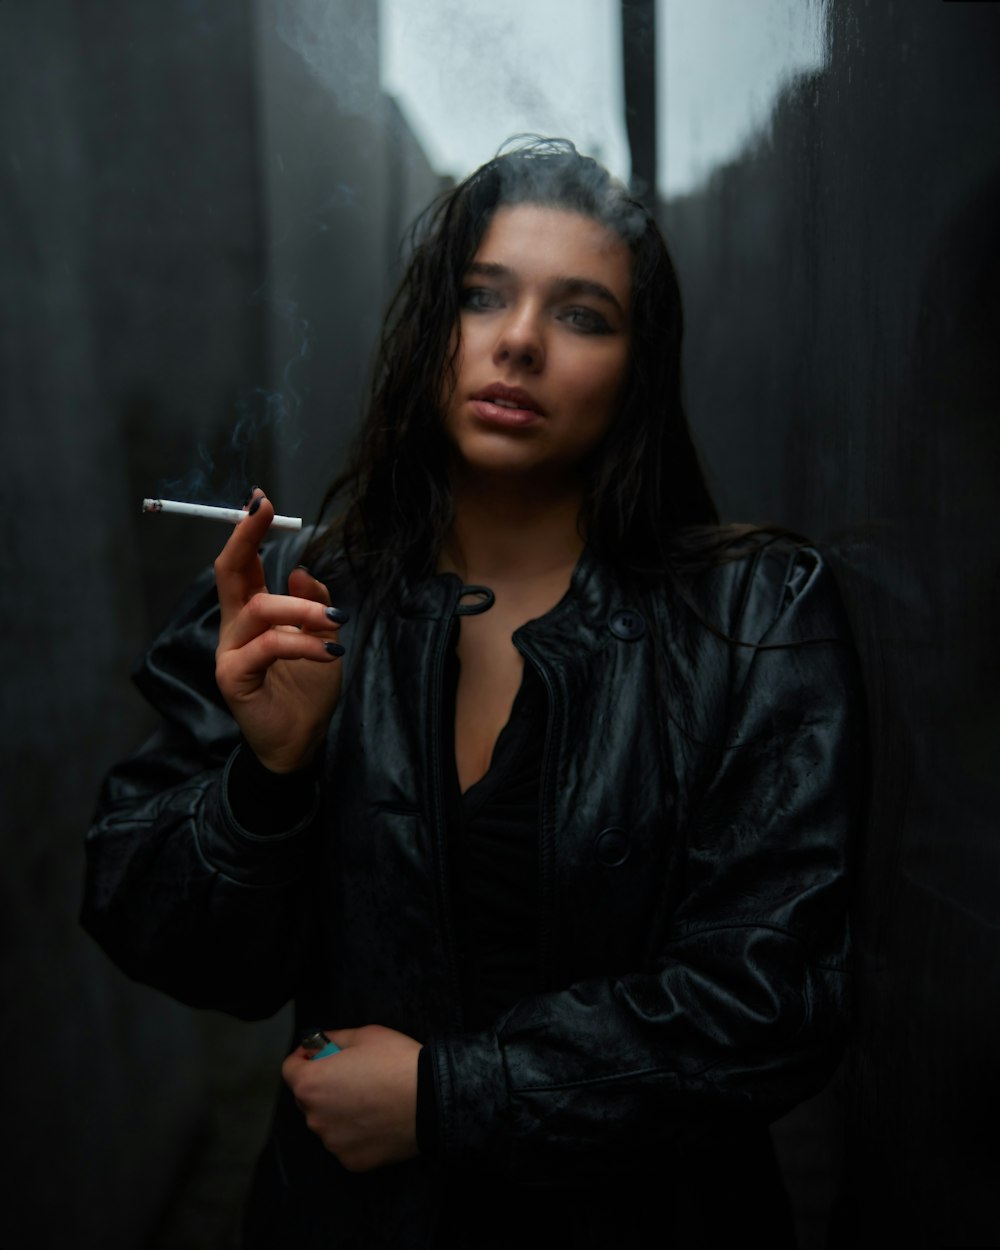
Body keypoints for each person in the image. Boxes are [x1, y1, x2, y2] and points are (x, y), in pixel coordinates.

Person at [83, 139, 866, 1248]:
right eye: (480, 296)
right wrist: (267, 779)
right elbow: (165, 939)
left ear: (638, 366)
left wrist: (444, 1095)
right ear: (429, 333)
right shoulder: (298, 601)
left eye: (583, 314)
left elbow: (773, 1003)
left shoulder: (753, 618)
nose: (518, 342)